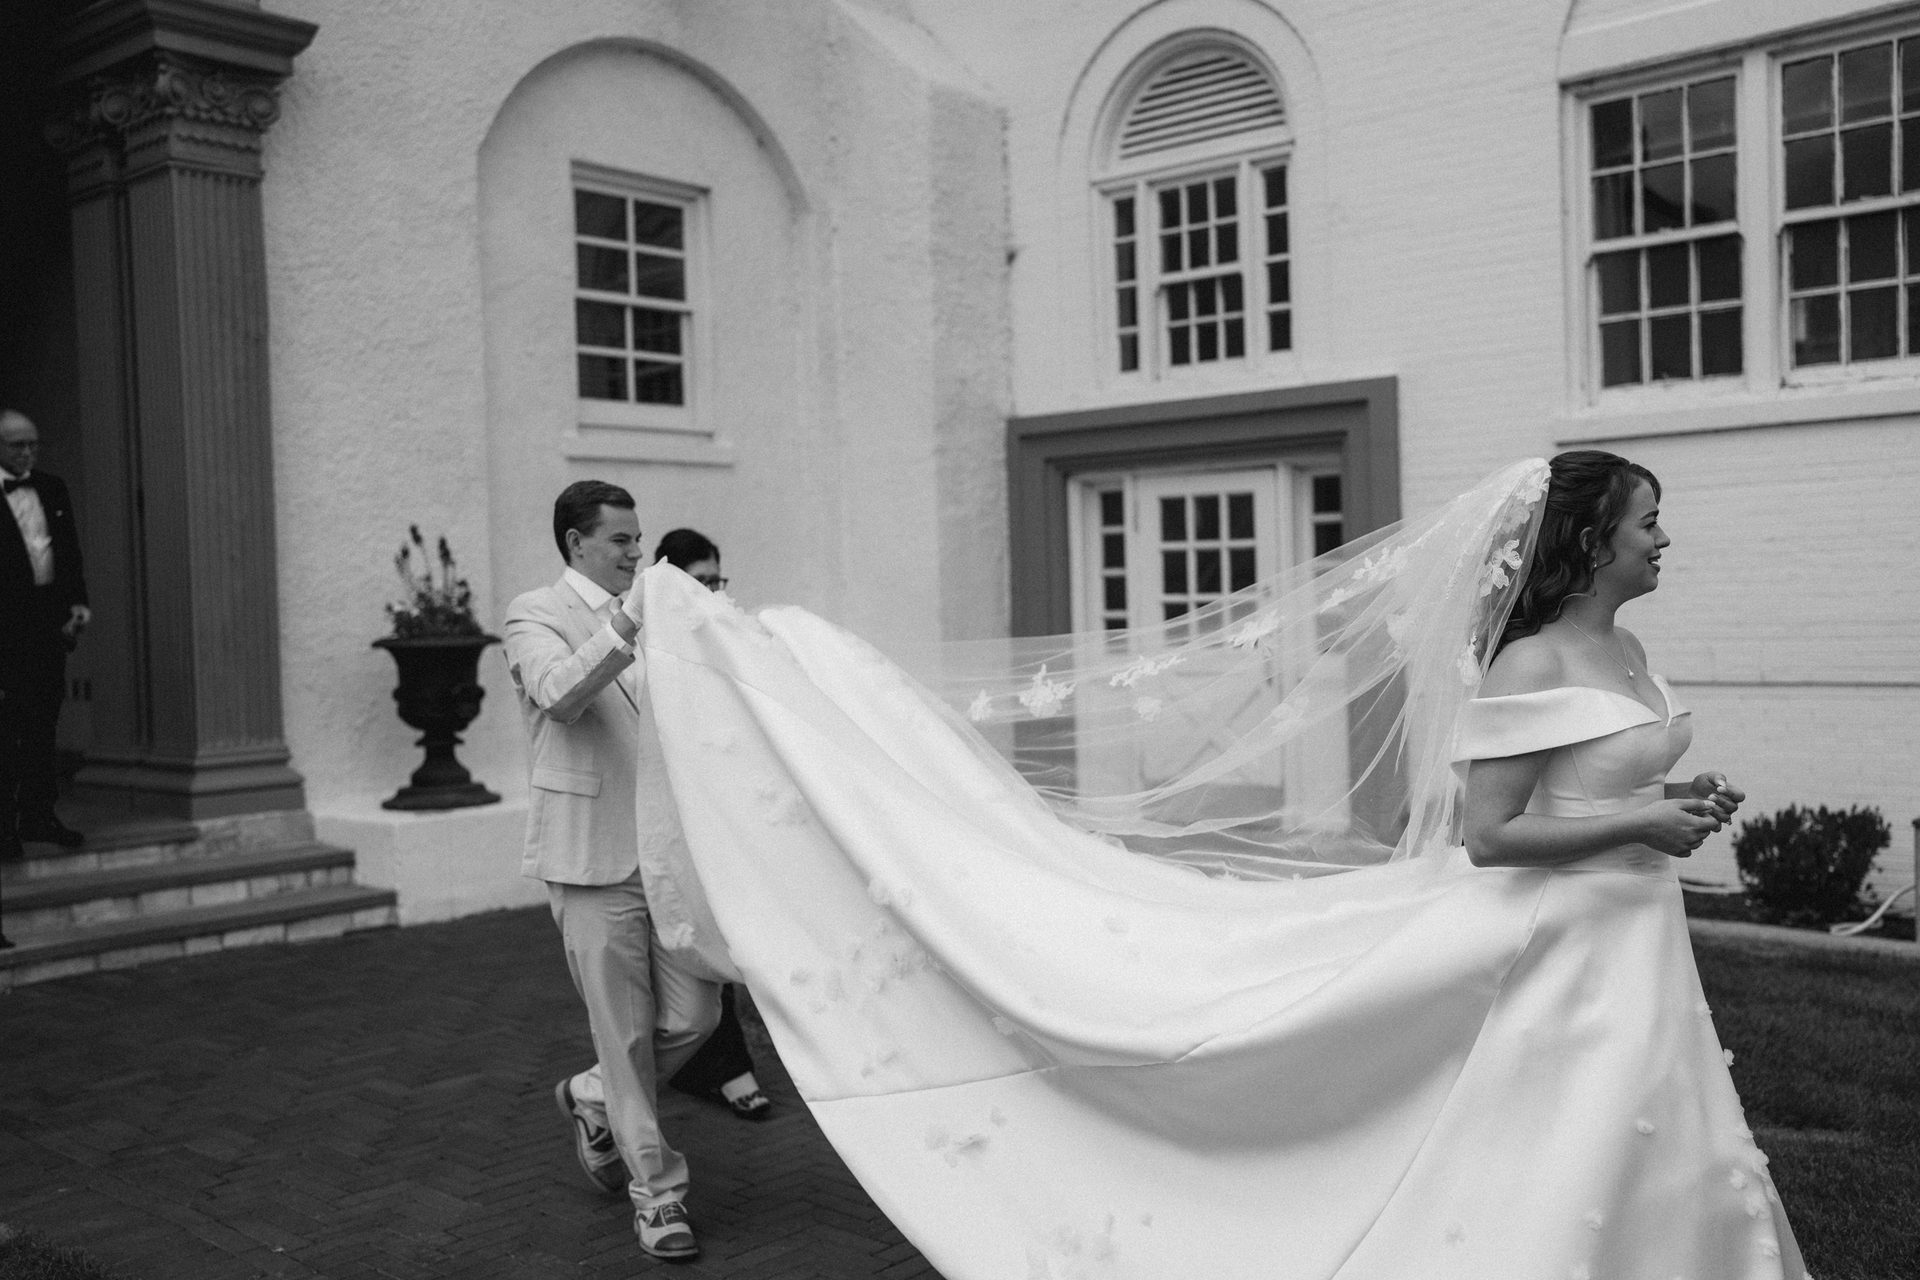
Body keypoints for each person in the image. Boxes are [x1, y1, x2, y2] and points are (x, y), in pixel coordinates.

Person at [614, 451, 1805, 1278]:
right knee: (1561, 1141)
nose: (1664, 537)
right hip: (1566, 944)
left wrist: (1666, 799)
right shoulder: (1532, 665)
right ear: (1595, 537)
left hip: (1634, 936)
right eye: (1649, 520)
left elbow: (1592, 783)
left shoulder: (1627, 644)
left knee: (1658, 1130)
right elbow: (1492, 835)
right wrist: (1636, 826)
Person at [501, 481, 722, 1263]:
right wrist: (629, 621)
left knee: (696, 1015)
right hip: (591, 858)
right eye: (623, 541)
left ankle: (590, 1096)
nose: (639, 552)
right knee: (624, 1038)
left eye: (639, 539)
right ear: (576, 544)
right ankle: (657, 1198)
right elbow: (559, 695)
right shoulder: (535, 614)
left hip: (669, 853)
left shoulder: (663, 617)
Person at [651, 527, 772, 1123]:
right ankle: (720, 1064)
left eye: (717, 580)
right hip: (672, 818)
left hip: (724, 809)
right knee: (691, 939)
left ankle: (710, 1059)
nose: (713, 594)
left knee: (727, 932)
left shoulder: (722, 641)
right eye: (701, 582)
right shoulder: (651, 647)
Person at [0, 409, 89, 865]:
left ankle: (39, 815)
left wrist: (77, 604)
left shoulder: (52, 487)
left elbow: (67, 552)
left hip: (48, 627)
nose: (28, 452)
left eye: (33, 444)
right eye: (17, 445)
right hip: (5, 631)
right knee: (7, 729)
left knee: (42, 725)